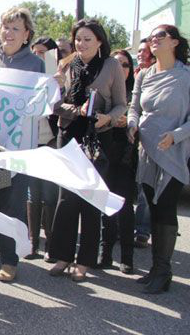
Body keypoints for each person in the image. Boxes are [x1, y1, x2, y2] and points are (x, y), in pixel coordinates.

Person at [128, 25, 190, 293]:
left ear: (174, 42)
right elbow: (134, 107)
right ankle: (155, 268)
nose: (153, 41)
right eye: (151, 37)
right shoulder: (144, 75)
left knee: (165, 208)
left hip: (173, 152)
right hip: (147, 151)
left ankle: (164, 270)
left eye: (160, 36)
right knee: (150, 205)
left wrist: (175, 135)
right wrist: (131, 125)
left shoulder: (188, 77)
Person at [48, 19, 127, 282]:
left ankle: (85, 261)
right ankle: (62, 256)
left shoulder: (111, 65)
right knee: (66, 199)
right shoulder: (66, 64)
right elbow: (56, 105)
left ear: (100, 41)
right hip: (68, 136)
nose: (81, 44)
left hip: (97, 139)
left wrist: (108, 118)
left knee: (90, 200)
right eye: (78, 39)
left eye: (87, 39)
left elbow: (120, 105)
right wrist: (76, 109)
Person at [0, 7, 45, 283]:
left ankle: (10, 259)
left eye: (16, 28)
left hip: (17, 150)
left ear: (27, 34)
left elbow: (40, 105)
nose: (9, 33)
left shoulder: (35, 64)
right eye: (5, 27)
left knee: (12, 205)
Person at [97, 49, 137, 274]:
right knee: (106, 205)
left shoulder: (134, 93)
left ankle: (127, 257)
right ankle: (105, 253)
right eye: (117, 63)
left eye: (125, 64)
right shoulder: (106, 91)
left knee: (124, 206)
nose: (120, 68)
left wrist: (128, 122)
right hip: (105, 151)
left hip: (126, 156)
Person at [27, 37, 61, 261]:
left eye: (43, 53)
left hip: (50, 144)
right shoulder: (27, 79)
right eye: (35, 52)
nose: (38, 56)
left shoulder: (59, 80)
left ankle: (51, 242)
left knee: (49, 196)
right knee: (32, 195)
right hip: (29, 145)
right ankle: (32, 243)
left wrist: (57, 85)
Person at [133, 37, 155, 248]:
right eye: (139, 51)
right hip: (128, 139)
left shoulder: (157, 77)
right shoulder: (134, 75)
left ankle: (142, 230)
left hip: (148, 142)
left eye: (146, 51)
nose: (142, 54)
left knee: (144, 189)